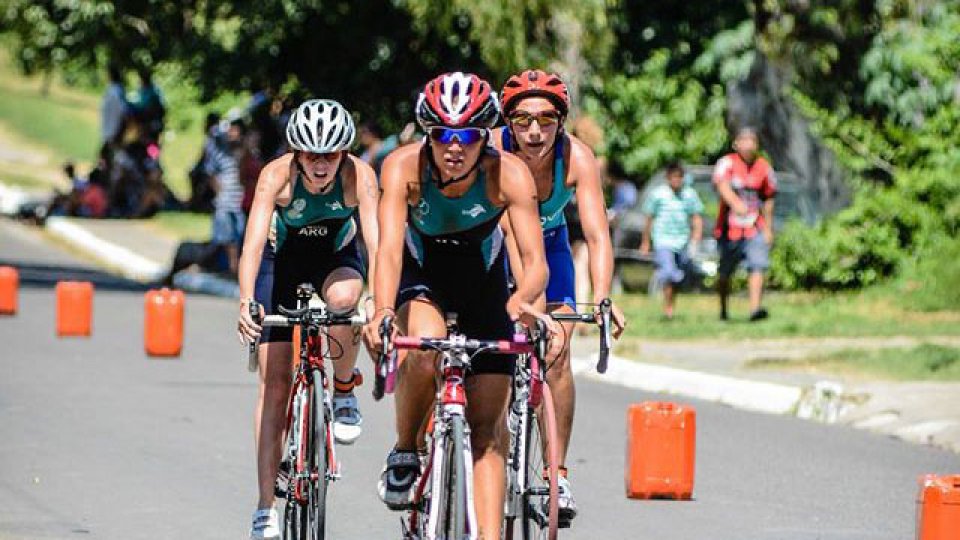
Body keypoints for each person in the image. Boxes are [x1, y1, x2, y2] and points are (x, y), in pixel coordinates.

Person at [361, 72, 550, 539]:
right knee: (426, 348)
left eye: (466, 136)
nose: (453, 147)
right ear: (428, 134)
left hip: (485, 282)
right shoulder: (404, 168)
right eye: (442, 134)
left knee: (487, 429)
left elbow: (535, 262)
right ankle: (406, 447)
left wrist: (524, 300)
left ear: (483, 138)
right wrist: (383, 310)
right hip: (423, 274)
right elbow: (386, 251)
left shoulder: (508, 173)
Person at [236, 99, 379, 540]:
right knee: (274, 382)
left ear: (343, 154)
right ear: (297, 154)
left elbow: (378, 245)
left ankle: (342, 387)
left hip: (336, 257)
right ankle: (265, 506)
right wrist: (245, 300)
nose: (320, 165)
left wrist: (379, 302)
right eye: (311, 156)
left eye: (330, 155)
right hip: (282, 262)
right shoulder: (276, 176)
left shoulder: (360, 176)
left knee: (344, 300)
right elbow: (254, 243)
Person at [493, 69, 626, 523]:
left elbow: (596, 234)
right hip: (493, 244)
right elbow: (508, 231)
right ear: (508, 122)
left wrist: (603, 298)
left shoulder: (576, 159)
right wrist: (523, 301)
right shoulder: (491, 151)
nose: (534, 131)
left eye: (547, 119)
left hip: (549, 246)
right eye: (523, 119)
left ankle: (555, 473)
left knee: (558, 350)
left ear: (562, 121)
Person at [713, 126, 777, 321]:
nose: (749, 145)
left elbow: (768, 198)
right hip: (729, 230)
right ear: (736, 144)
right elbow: (721, 185)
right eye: (745, 140)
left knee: (757, 265)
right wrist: (735, 203)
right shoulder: (726, 163)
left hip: (754, 228)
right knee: (725, 273)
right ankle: (723, 310)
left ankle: (754, 310)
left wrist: (768, 228)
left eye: (753, 141)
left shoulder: (764, 167)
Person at [640, 162, 704, 319]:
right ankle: (667, 309)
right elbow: (649, 218)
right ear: (668, 178)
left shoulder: (689, 195)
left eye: (679, 177)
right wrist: (646, 242)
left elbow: (696, 218)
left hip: (682, 241)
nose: (676, 180)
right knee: (669, 273)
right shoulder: (658, 195)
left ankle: (671, 304)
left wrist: (696, 239)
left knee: (678, 276)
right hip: (663, 240)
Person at [206, 117, 247, 275]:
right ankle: (232, 268)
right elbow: (212, 174)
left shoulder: (244, 153)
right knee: (226, 238)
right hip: (225, 201)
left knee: (239, 237)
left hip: (240, 202)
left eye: (235, 130)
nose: (232, 133)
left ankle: (235, 268)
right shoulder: (220, 152)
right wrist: (219, 193)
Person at [100, 64, 128, 151]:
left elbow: (123, 112)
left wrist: (118, 134)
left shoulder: (116, 91)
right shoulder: (112, 90)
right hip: (109, 133)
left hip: (113, 134)